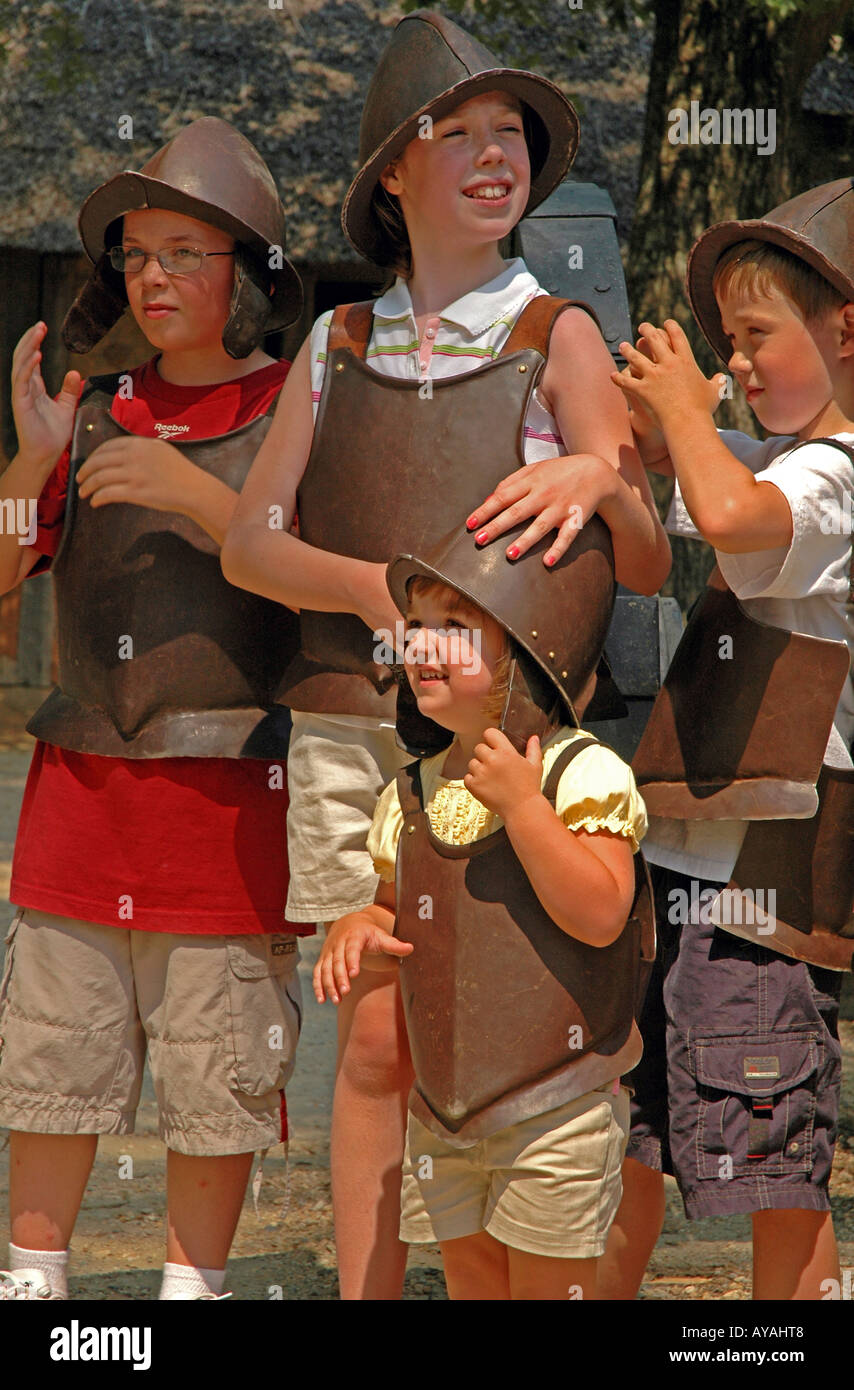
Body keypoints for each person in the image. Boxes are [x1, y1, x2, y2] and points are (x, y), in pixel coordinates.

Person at [222, 9, 669, 1300]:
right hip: (355, 732)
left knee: (515, 1024)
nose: (493, 154)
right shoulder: (336, 343)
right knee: (373, 1037)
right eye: (454, 133)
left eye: (508, 134)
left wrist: (601, 467)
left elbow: (640, 559)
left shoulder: (556, 337)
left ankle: (522, 1270)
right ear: (391, 177)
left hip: (505, 745)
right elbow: (253, 542)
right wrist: (384, 596)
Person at [0, 118, 306, 1301]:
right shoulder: (89, 409)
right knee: (51, 1053)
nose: (155, 277)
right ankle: (36, 1283)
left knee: (213, 1069)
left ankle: (195, 1288)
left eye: (186, 251)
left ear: (249, 273)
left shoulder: (299, 404)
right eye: (135, 254)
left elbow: (330, 580)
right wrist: (30, 469)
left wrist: (193, 490)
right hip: (78, 805)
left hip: (229, 811)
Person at [604, 177, 854, 1301]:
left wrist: (689, 423)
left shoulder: (835, 477)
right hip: (701, 870)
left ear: (843, 330)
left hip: (768, 892)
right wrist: (657, 433)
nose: (737, 362)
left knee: (773, 1164)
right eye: (725, 344)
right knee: (638, 1131)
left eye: (754, 336)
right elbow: (697, 484)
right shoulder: (777, 455)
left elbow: (732, 517)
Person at [313, 519, 651, 1300]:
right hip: (445, 1114)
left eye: (456, 630)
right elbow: (403, 910)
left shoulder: (578, 771)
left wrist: (525, 811)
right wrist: (362, 924)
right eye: (419, 628)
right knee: (472, 1282)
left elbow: (602, 915)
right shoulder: (411, 791)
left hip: (556, 1105)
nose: (422, 647)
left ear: (533, 653)